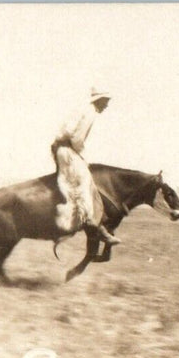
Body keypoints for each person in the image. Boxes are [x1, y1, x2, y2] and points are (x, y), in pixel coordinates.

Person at [51, 87, 121, 246]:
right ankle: (92, 223)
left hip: (62, 148)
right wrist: (83, 155)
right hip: (67, 149)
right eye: (106, 101)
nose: (107, 105)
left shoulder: (85, 109)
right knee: (85, 183)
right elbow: (77, 138)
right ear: (99, 100)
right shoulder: (90, 112)